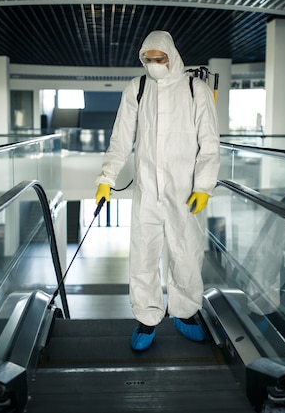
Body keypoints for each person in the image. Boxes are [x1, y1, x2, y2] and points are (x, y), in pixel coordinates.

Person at [94, 30, 220, 351]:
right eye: (147, 59)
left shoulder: (196, 89)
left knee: (186, 251)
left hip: (185, 190)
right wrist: (106, 179)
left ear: (171, 56)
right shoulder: (136, 89)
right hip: (147, 188)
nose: (153, 64)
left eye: (158, 58)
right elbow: (121, 138)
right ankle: (147, 318)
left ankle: (184, 312)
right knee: (144, 253)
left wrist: (204, 185)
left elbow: (209, 143)